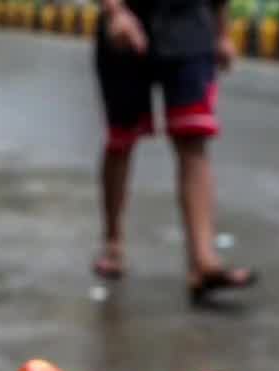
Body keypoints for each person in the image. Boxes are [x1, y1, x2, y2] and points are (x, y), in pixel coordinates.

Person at [92, 0, 255, 305]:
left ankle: (203, 262)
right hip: (127, 21)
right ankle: (113, 242)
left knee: (193, 137)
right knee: (121, 140)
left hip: (189, 25)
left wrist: (222, 32)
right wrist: (114, 11)